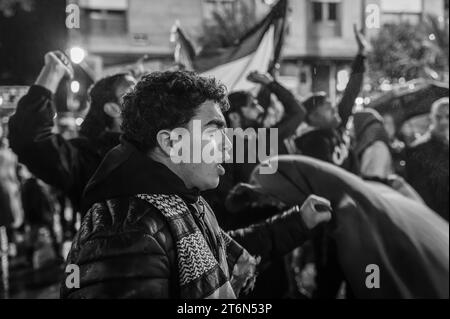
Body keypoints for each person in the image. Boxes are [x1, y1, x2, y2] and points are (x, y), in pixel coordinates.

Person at [61, 71, 332, 299]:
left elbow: (218, 248)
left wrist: (300, 220)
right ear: (171, 143)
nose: (228, 146)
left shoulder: (180, 201)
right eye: (214, 131)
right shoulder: (124, 232)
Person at [228, 155, 449, 299]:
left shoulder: (349, 211)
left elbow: (370, 270)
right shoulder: (354, 187)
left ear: (290, 187)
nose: (281, 207)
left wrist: (372, 288)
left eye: (278, 200)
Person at [8, 51, 136, 215]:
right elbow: (31, 139)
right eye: (132, 92)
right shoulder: (91, 157)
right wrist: (51, 74)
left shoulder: (157, 143)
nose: (143, 98)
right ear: (113, 109)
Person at [286, 25, 368, 175]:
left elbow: (351, 92)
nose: (334, 109)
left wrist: (361, 54)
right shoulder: (312, 144)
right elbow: (327, 181)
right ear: (313, 116)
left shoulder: (335, 126)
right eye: (328, 107)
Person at [406, 97, 449, 221]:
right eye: (439, 117)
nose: (444, 122)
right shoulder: (418, 149)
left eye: (448, 116)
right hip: (435, 221)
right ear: (431, 118)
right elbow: (419, 194)